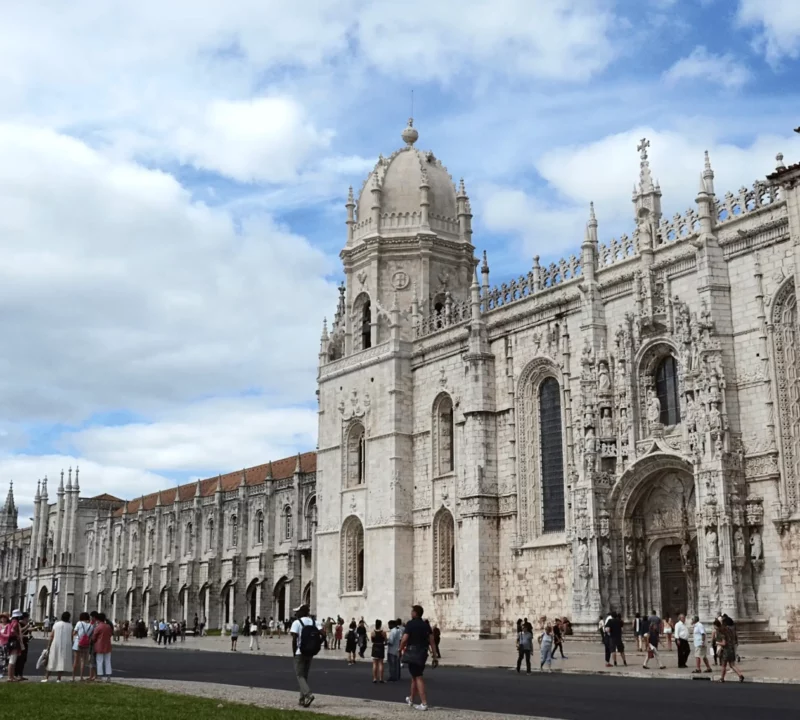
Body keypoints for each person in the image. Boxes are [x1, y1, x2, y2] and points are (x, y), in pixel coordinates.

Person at [399, 604, 438, 712]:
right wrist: (434, 656)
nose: (411, 613)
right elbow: (432, 642)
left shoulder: (410, 624)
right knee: (415, 676)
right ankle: (411, 699)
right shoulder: (426, 625)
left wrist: (400, 649)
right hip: (423, 653)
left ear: (415, 613)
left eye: (412, 611)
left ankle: (424, 703)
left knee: (418, 677)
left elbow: (404, 639)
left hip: (413, 653)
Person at [290, 604, 319, 708]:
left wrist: (294, 653)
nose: (296, 613)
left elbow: (294, 639)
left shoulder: (297, 623)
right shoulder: (314, 622)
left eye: (298, 611)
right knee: (304, 676)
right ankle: (301, 699)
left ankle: (308, 694)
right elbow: (322, 633)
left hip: (300, 652)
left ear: (301, 612)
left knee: (299, 675)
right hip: (310, 652)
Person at [43, 611, 73, 683]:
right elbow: (71, 637)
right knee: (62, 661)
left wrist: (48, 645)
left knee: (52, 659)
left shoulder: (56, 624)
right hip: (66, 645)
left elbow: (52, 635)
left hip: (55, 644)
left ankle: (46, 677)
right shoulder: (70, 626)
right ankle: (59, 678)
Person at [714, 618, 744, 682]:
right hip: (731, 648)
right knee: (732, 665)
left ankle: (722, 678)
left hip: (726, 650)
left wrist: (717, 643)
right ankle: (740, 675)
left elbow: (724, 643)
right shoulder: (727, 630)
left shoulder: (721, 632)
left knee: (723, 665)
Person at [72, 611, 94, 681]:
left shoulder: (79, 623)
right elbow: (90, 637)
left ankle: (73, 677)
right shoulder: (91, 626)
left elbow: (74, 632)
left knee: (76, 660)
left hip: (78, 642)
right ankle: (81, 677)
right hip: (86, 644)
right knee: (83, 661)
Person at [93, 612, 113, 682]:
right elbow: (110, 634)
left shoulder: (98, 627)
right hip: (108, 645)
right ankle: (108, 676)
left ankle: (100, 676)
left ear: (98, 619)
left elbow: (94, 637)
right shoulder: (108, 626)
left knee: (99, 661)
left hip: (99, 646)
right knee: (108, 661)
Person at [17, 611, 33, 680]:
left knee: (23, 659)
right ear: (25, 617)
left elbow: (28, 630)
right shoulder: (19, 623)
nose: (28, 619)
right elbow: (19, 632)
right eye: (27, 617)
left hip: (25, 643)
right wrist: (27, 626)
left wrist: (32, 629)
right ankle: (17, 675)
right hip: (20, 643)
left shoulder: (25, 623)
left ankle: (20, 675)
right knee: (20, 659)